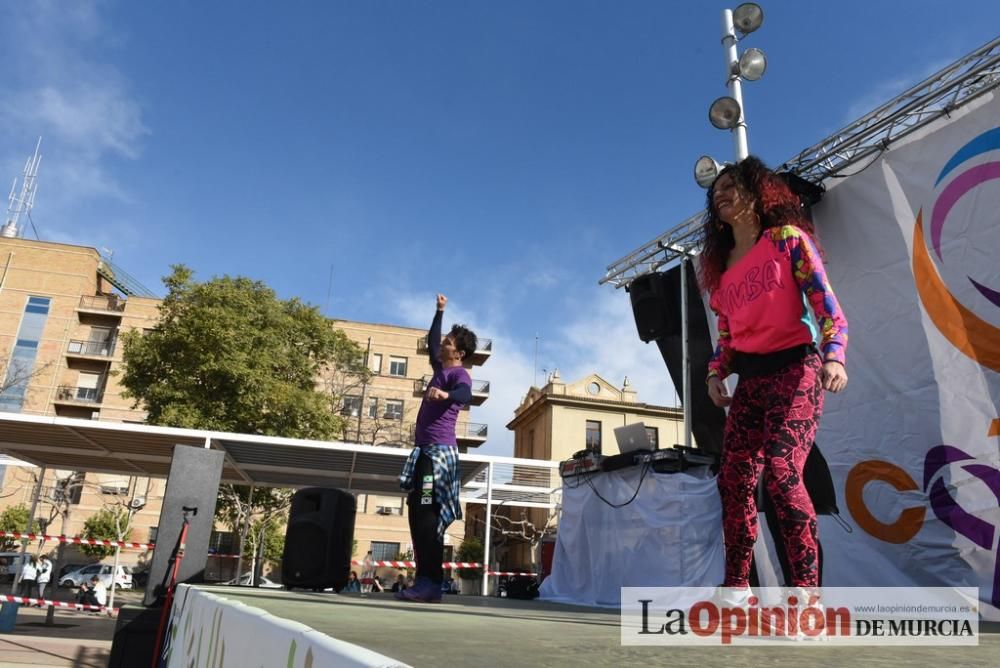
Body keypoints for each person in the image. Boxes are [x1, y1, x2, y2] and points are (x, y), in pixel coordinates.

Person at [700, 156, 848, 595]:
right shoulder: (723, 270)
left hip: (797, 369)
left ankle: (805, 592)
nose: (720, 194)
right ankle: (737, 588)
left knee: (783, 472)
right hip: (752, 381)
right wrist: (714, 375)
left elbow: (827, 309)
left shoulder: (787, 241)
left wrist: (835, 356)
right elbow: (726, 338)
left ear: (756, 192)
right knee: (734, 479)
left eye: (731, 185)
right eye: (715, 191)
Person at [397, 294, 477, 604]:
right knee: (417, 513)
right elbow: (431, 341)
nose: (443, 343)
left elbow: (465, 394)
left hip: (438, 456)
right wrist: (439, 311)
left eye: (448, 341)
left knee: (428, 515)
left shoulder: (458, 374)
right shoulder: (438, 366)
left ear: (460, 351)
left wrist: (446, 395)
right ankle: (423, 580)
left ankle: (431, 583)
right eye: (444, 339)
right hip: (423, 453)